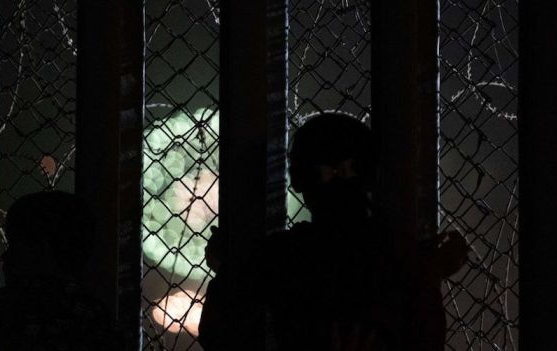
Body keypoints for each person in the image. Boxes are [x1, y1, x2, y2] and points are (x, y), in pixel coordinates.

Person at [199, 113, 468, 350]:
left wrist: (225, 270)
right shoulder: (401, 259)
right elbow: (426, 338)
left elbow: (219, 336)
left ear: (300, 180)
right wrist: (428, 276)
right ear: (371, 177)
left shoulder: (282, 257)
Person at [0, 191, 119, 351]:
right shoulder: (94, 314)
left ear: (42, 250)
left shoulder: (6, 306)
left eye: (16, 246)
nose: (5, 256)